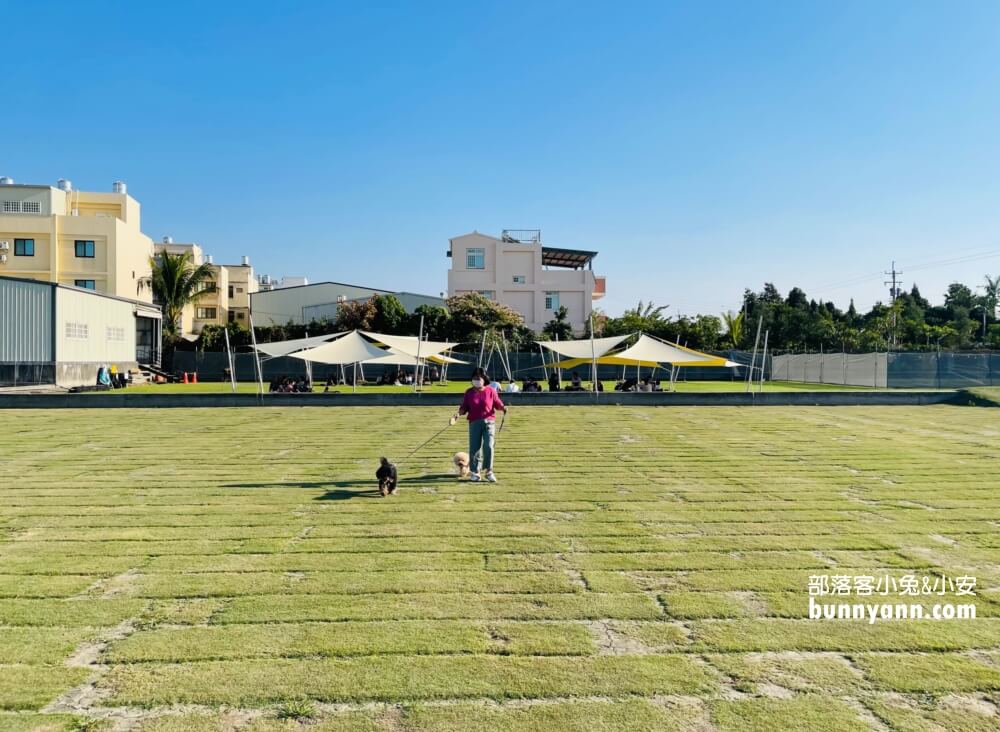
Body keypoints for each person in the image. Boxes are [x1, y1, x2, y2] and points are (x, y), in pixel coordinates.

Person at [454, 367, 507, 483]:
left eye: (478, 378)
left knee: (488, 446)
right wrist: (458, 414)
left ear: (484, 379)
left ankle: (489, 471)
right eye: (474, 378)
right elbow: (464, 407)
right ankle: (475, 472)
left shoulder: (491, 391)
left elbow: (497, 403)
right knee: (475, 448)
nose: (476, 380)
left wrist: (503, 407)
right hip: (474, 423)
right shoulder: (469, 392)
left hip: (489, 422)